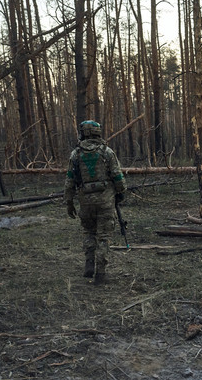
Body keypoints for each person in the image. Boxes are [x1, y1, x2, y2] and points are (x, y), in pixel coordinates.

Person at [64, 120, 126, 284]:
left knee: (89, 232)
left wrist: (69, 202)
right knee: (103, 237)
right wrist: (121, 193)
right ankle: (101, 273)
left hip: (85, 201)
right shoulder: (107, 152)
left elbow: (69, 181)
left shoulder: (76, 154)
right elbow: (118, 176)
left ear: (83, 133)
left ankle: (89, 264)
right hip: (105, 201)